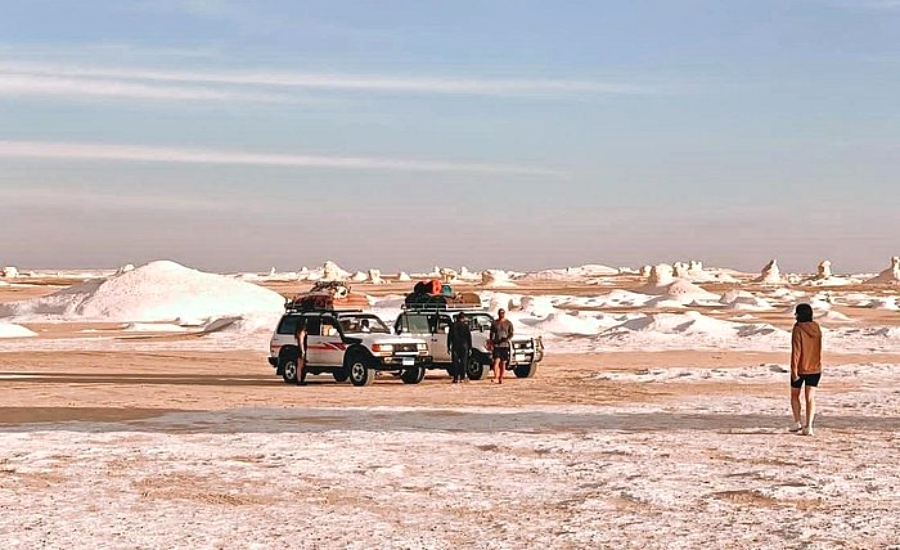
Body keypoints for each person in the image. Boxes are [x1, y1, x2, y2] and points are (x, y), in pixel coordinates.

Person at [790, 303, 822, 436]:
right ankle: (809, 426)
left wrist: (793, 370)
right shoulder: (816, 327)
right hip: (815, 367)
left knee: (795, 395)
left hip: (800, 368)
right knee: (810, 397)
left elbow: (796, 351)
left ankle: (797, 422)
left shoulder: (798, 328)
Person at [489, 308, 514, 384]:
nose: (501, 314)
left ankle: (501, 378)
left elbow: (511, 333)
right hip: (496, 345)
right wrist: (491, 342)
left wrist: (507, 339)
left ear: (504, 313)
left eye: (502, 313)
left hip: (504, 345)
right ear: (498, 313)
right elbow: (491, 333)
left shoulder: (508, 323)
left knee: (503, 363)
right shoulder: (494, 323)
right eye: (500, 313)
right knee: (496, 361)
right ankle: (496, 377)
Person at [447, 312, 472, 384]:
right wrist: (470, 348)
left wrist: (448, 346)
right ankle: (462, 377)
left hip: (455, 345)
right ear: (463, 318)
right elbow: (469, 337)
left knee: (455, 362)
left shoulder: (453, 326)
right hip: (464, 346)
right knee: (463, 362)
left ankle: (456, 378)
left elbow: (449, 337)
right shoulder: (465, 326)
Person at [294, 317, 308, 386]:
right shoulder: (302, 332)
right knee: (300, 366)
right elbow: (301, 342)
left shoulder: (298, 331)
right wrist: (303, 351)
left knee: (299, 366)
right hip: (300, 349)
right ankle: (299, 380)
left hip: (298, 349)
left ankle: (299, 380)